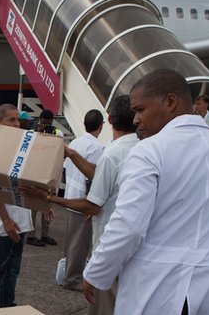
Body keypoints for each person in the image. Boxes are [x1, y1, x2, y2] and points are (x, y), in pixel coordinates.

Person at [82, 69, 209, 314]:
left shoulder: (149, 152)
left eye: (140, 109)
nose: (135, 119)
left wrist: (96, 272)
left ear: (170, 102)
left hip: (157, 288)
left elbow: (129, 226)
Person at [23, 95, 138, 315]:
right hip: (133, 245)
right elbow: (99, 174)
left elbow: (93, 205)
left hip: (110, 241)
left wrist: (48, 198)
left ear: (110, 118)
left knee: (103, 305)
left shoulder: (112, 153)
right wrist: (72, 154)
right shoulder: (142, 148)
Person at [0, 104, 33, 309]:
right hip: (3, 226)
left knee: (12, 271)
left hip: (21, 221)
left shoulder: (17, 147)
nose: (17, 123)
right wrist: (6, 220)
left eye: (18, 119)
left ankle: (7, 306)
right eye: (11, 120)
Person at [59, 109, 105, 291]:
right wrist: (91, 204)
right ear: (101, 126)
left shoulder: (75, 142)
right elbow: (93, 177)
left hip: (70, 195)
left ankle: (68, 274)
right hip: (83, 201)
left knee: (72, 242)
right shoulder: (97, 147)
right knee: (80, 243)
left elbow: (63, 171)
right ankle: (72, 278)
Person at [26, 109, 63, 247]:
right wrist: (39, 132)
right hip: (34, 172)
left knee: (47, 206)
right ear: (40, 121)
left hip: (48, 172)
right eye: (43, 123)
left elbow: (59, 149)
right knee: (33, 206)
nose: (46, 125)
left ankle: (45, 235)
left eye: (48, 123)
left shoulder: (57, 133)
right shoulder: (32, 133)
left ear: (52, 122)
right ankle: (30, 234)